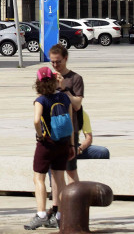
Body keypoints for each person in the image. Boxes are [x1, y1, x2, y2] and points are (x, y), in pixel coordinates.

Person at [24, 66, 75, 230]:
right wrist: (72, 144)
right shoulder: (64, 98)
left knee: (38, 178)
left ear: (38, 82)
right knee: (59, 179)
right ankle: (59, 215)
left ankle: (40, 214)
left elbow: (36, 120)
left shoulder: (41, 100)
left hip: (47, 143)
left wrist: (40, 135)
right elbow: (71, 122)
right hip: (64, 142)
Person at [49, 43, 83, 184]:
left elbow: (76, 105)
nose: (55, 65)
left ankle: (74, 201)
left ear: (66, 59)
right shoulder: (48, 77)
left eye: (58, 61)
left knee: (70, 169)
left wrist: (64, 89)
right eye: (53, 62)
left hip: (69, 130)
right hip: (51, 130)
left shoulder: (75, 78)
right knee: (55, 171)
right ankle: (58, 202)